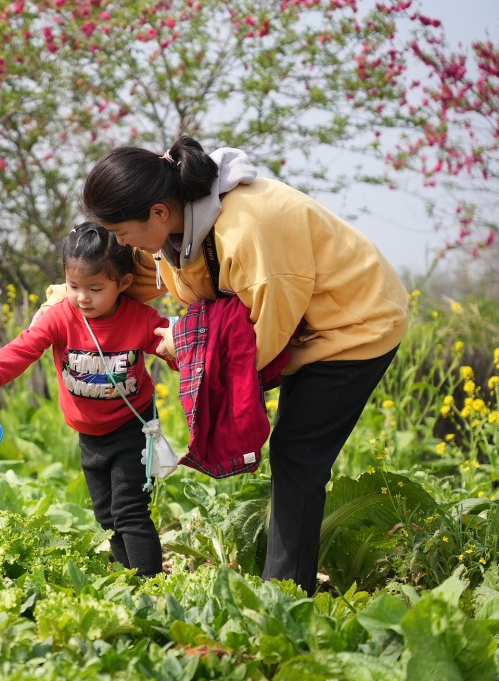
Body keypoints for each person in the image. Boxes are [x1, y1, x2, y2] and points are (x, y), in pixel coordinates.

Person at [44, 135, 408, 596]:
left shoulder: (248, 229)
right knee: (293, 455)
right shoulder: (174, 224)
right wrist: (64, 304)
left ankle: (285, 596)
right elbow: (120, 279)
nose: (120, 243)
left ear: (157, 212)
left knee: (298, 454)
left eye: (121, 232)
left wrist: (190, 346)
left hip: (356, 326)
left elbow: (264, 337)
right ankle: (287, 578)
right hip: (305, 327)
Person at [0, 223, 174, 578]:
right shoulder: (60, 317)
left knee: (130, 510)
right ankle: (128, 582)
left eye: (95, 288)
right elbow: (24, 347)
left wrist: (177, 350)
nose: (82, 298)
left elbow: (171, 346)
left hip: (132, 426)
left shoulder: (140, 319)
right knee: (106, 515)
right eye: (73, 287)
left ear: (123, 284)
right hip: (88, 432)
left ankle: (152, 584)